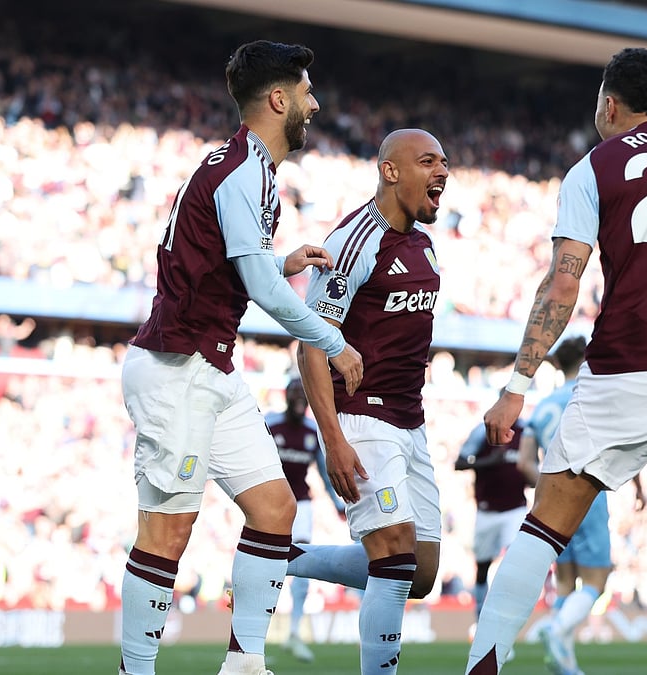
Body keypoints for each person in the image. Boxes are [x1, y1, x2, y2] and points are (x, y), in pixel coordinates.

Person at [467, 47, 647, 675]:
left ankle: (483, 664)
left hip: (628, 363)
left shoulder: (594, 168)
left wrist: (517, 386)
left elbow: (562, 285)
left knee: (545, 526)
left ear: (609, 103)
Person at [118, 40, 363, 675]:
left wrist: (280, 262)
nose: (315, 104)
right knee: (166, 532)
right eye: (307, 92)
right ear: (279, 100)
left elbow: (229, 268)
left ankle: (244, 664)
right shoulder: (243, 172)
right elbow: (259, 289)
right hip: (177, 368)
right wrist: (333, 342)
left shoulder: (243, 165)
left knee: (276, 510)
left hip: (210, 369)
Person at [292, 128, 449, 675]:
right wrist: (333, 439)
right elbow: (311, 345)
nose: (442, 172)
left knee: (420, 572)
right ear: (390, 171)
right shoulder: (355, 239)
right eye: (427, 161)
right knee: (395, 553)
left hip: (410, 421)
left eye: (444, 163)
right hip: (361, 416)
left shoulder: (424, 245)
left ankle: (284, 557)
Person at [517, 335, 646, 675]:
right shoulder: (592, 400)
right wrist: (638, 487)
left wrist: (551, 488)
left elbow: (524, 462)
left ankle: (564, 660)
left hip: (550, 502)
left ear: (558, 365)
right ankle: (557, 629)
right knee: (595, 581)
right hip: (588, 493)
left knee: (565, 581)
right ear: (586, 360)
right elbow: (624, 445)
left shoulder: (543, 406)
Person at [268, 377, 346, 663]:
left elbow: (324, 472)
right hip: (271, 502)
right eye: (295, 393)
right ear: (286, 396)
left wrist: (337, 503)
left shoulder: (312, 431)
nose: (300, 399)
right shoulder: (271, 425)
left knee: (300, 560)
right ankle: (255, 636)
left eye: (304, 394)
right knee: (267, 563)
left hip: (301, 503)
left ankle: (294, 632)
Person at [453, 418, 529, 624]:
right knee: (483, 566)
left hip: (516, 509)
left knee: (514, 558)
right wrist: (489, 462)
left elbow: (531, 465)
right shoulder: (483, 431)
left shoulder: (526, 431)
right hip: (487, 511)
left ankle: (506, 614)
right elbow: (459, 463)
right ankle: (480, 615)